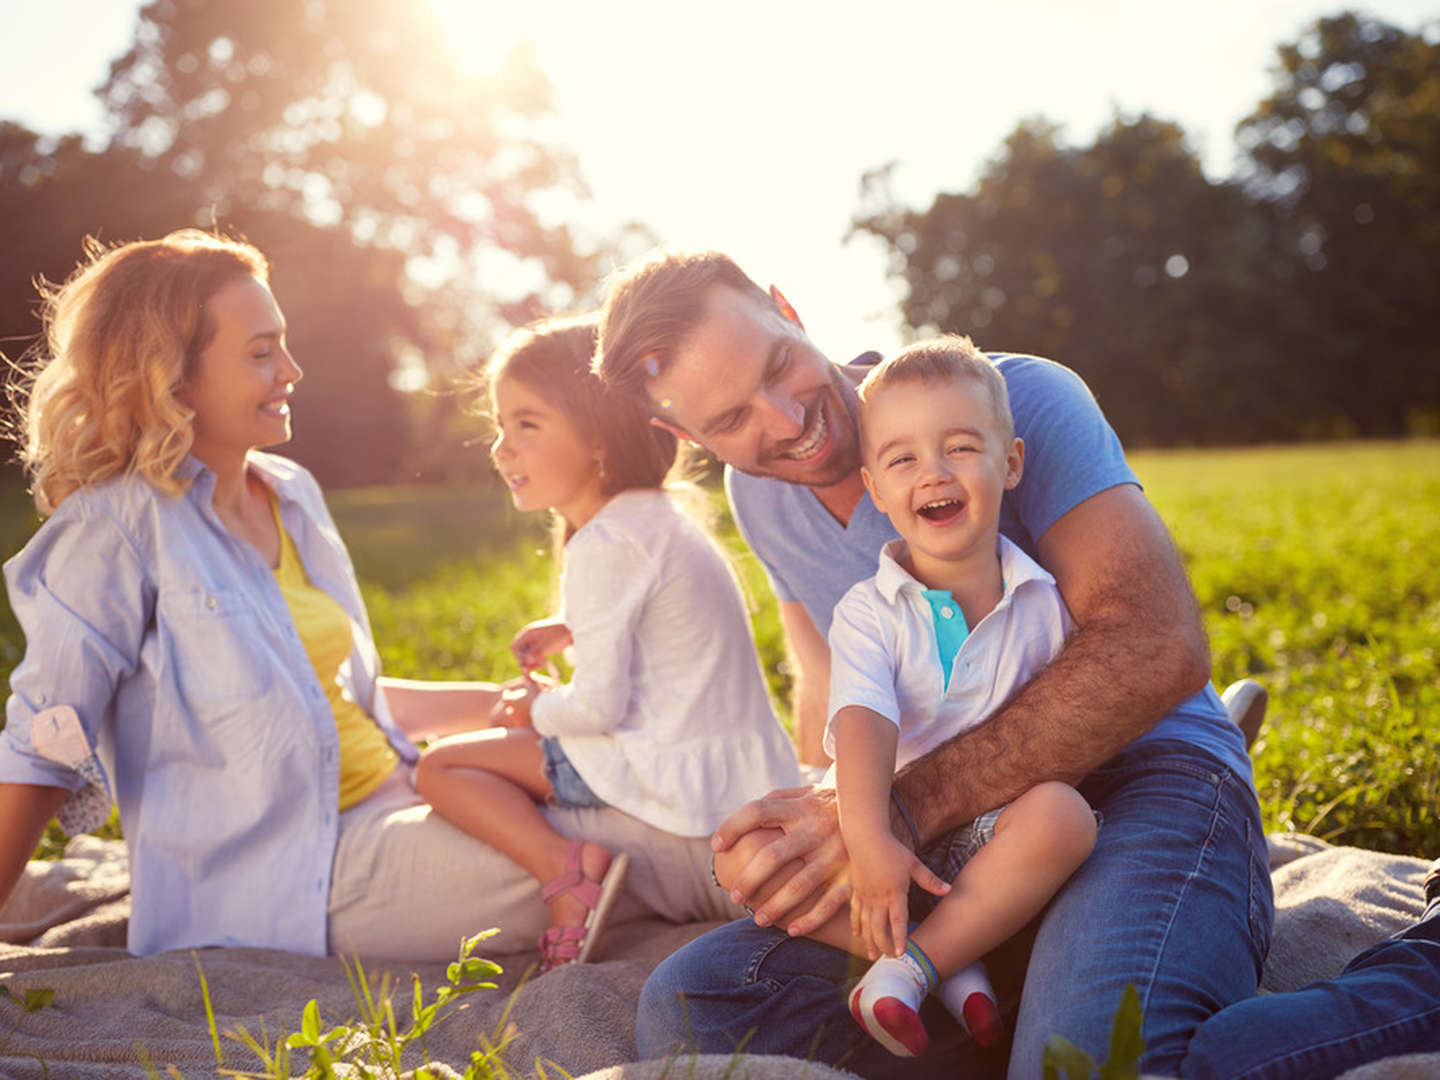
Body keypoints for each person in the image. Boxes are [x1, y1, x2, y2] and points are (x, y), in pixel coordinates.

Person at [595, 250, 1271, 1077]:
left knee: (1082, 1063)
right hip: (955, 851)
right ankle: (1007, 985)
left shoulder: (1011, 398)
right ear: (683, 436)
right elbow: (830, 681)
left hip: (1138, 778)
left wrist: (892, 814)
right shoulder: (758, 495)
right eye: (731, 421)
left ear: (787, 308)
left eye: (779, 365)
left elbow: (1154, 646)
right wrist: (815, 830)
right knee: (698, 1005)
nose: (784, 421)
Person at [0, 231, 762, 961]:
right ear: (173, 376)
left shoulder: (289, 494)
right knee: (612, 839)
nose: (292, 370)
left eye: (285, 343)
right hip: (298, 871)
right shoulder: (113, 530)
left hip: (395, 796)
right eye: (261, 353)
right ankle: (774, 871)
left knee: (605, 799)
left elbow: (333, 701)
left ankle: (778, 855)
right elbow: (45, 736)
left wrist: (497, 706)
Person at [720, 337, 1097, 1058]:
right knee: (747, 856)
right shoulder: (870, 611)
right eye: (903, 461)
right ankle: (953, 963)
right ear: (876, 486)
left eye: (959, 447)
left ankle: (910, 969)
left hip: (993, 836)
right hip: (882, 826)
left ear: (1009, 462)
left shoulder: (1044, 601)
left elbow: (1069, 734)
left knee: (1066, 817)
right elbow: (862, 724)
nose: (933, 473)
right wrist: (869, 843)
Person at [411, 316, 800, 971]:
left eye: (527, 425)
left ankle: (567, 871)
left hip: (673, 781)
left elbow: (596, 710)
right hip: (741, 772)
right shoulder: (656, 517)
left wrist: (530, 709)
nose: (502, 449)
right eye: (501, 425)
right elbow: (654, 617)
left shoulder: (604, 544)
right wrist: (570, 625)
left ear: (598, 439)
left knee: (441, 767)